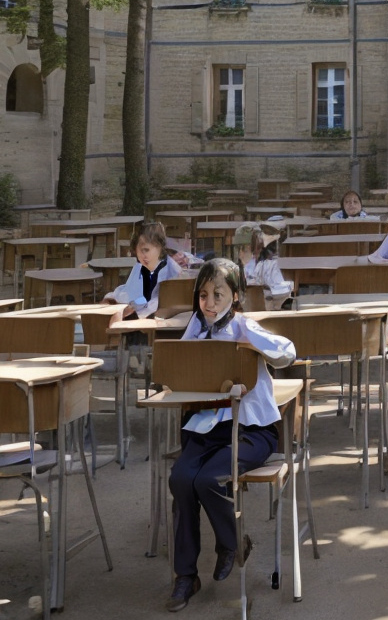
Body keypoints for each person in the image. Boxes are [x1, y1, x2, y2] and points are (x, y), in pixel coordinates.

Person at [165, 258, 296, 612]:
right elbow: (179, 364)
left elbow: (288, 351)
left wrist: (254, 347)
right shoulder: (196, 325)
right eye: (203, 295)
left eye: (218, 295)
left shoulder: (242, 326)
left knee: (208, 479)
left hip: (251, 430)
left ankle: (231, 544)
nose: (209, 303)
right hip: (206, 429)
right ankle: (185, 576)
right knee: (180, 480)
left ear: (235, 297)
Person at [103, 220, 181, 317]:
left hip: (154, 318)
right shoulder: (140, 267)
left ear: (160, 247)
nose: (143, 256)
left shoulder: (169, 269)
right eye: (139, 251)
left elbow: (160, 301)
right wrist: (112, 298)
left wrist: (134, 308)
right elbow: (129, 290)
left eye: (146, 250)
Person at [234, 222, 292, 309]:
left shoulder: (271, 265)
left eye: (246, 249)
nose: (241, 254)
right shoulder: (245, 267)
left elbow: (281, 297)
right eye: (242, 249)